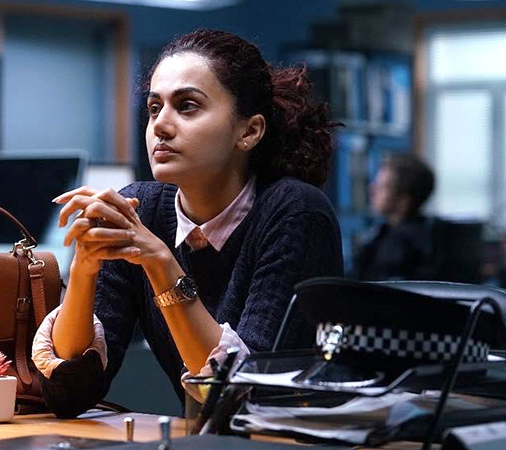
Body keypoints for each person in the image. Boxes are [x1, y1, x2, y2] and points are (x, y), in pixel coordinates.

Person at [32, 29, 343, 418]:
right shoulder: (142, 209)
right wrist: (84, 268)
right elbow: (69, 394)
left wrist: (162, 264)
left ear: (249, 131)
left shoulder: (296, 213)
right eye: (154, 108)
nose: (160, 126)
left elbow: (243, 399)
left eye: (188, 106)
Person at [352, 152, 436, 281]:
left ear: (403, 201)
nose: (372, 189)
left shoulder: (402, 246)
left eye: (383, 187)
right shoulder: (385, 232)